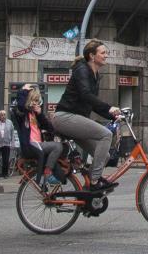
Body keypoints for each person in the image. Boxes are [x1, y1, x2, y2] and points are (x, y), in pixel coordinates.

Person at [54, 39, 122, 190]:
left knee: (104, 156)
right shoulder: (82, 70)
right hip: (65, 117)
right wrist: (109, 107)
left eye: (106, 53)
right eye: (103, 53)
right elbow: (85, 94)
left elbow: (92, 103)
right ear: (92, 56)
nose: (106, 56)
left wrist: (113, 115)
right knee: (106, 135)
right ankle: (95, 181)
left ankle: (88, 191)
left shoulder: (95, 75)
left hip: (76, 120)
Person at [12, 85, 63, 189]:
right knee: (57, 147)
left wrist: (40, 114)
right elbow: (21, 105)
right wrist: (23, 91)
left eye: (37, 100)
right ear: (29, 99)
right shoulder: (24, 113)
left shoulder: (35, 114)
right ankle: (47, 174)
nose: (36, 102)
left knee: (56, 154)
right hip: (30, 144)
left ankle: (51, 178)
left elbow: (48, 127)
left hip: (38, 144)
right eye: (34, 100)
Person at [0, 110, 16, 177]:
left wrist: (13, 143)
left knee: (5, 160)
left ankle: (5, 174)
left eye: (4, 115)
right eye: (2, 115)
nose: (3, 116)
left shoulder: (10, 122)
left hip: (6, 143)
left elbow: (12, 133)